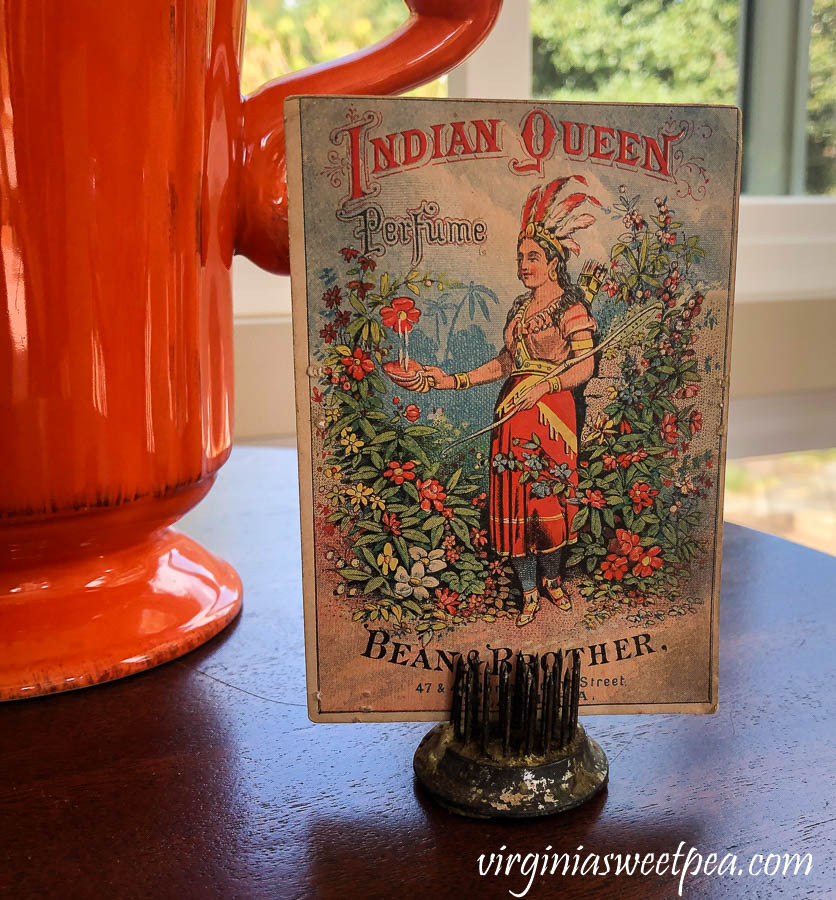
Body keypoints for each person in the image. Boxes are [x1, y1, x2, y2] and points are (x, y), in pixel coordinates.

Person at [419, 177, 599, 626]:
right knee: (514, 501)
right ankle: (529, 592)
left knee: (547, 500)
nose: (524, 265)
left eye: (533, 257)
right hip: (511, 416)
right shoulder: (519, 309)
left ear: (554, 263)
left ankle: (553, 582)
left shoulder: (572, 308)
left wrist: (544, 388)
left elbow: (585, 367)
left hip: (551, 414)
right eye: (521, 258)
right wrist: (452, 380)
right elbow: (505, 362)